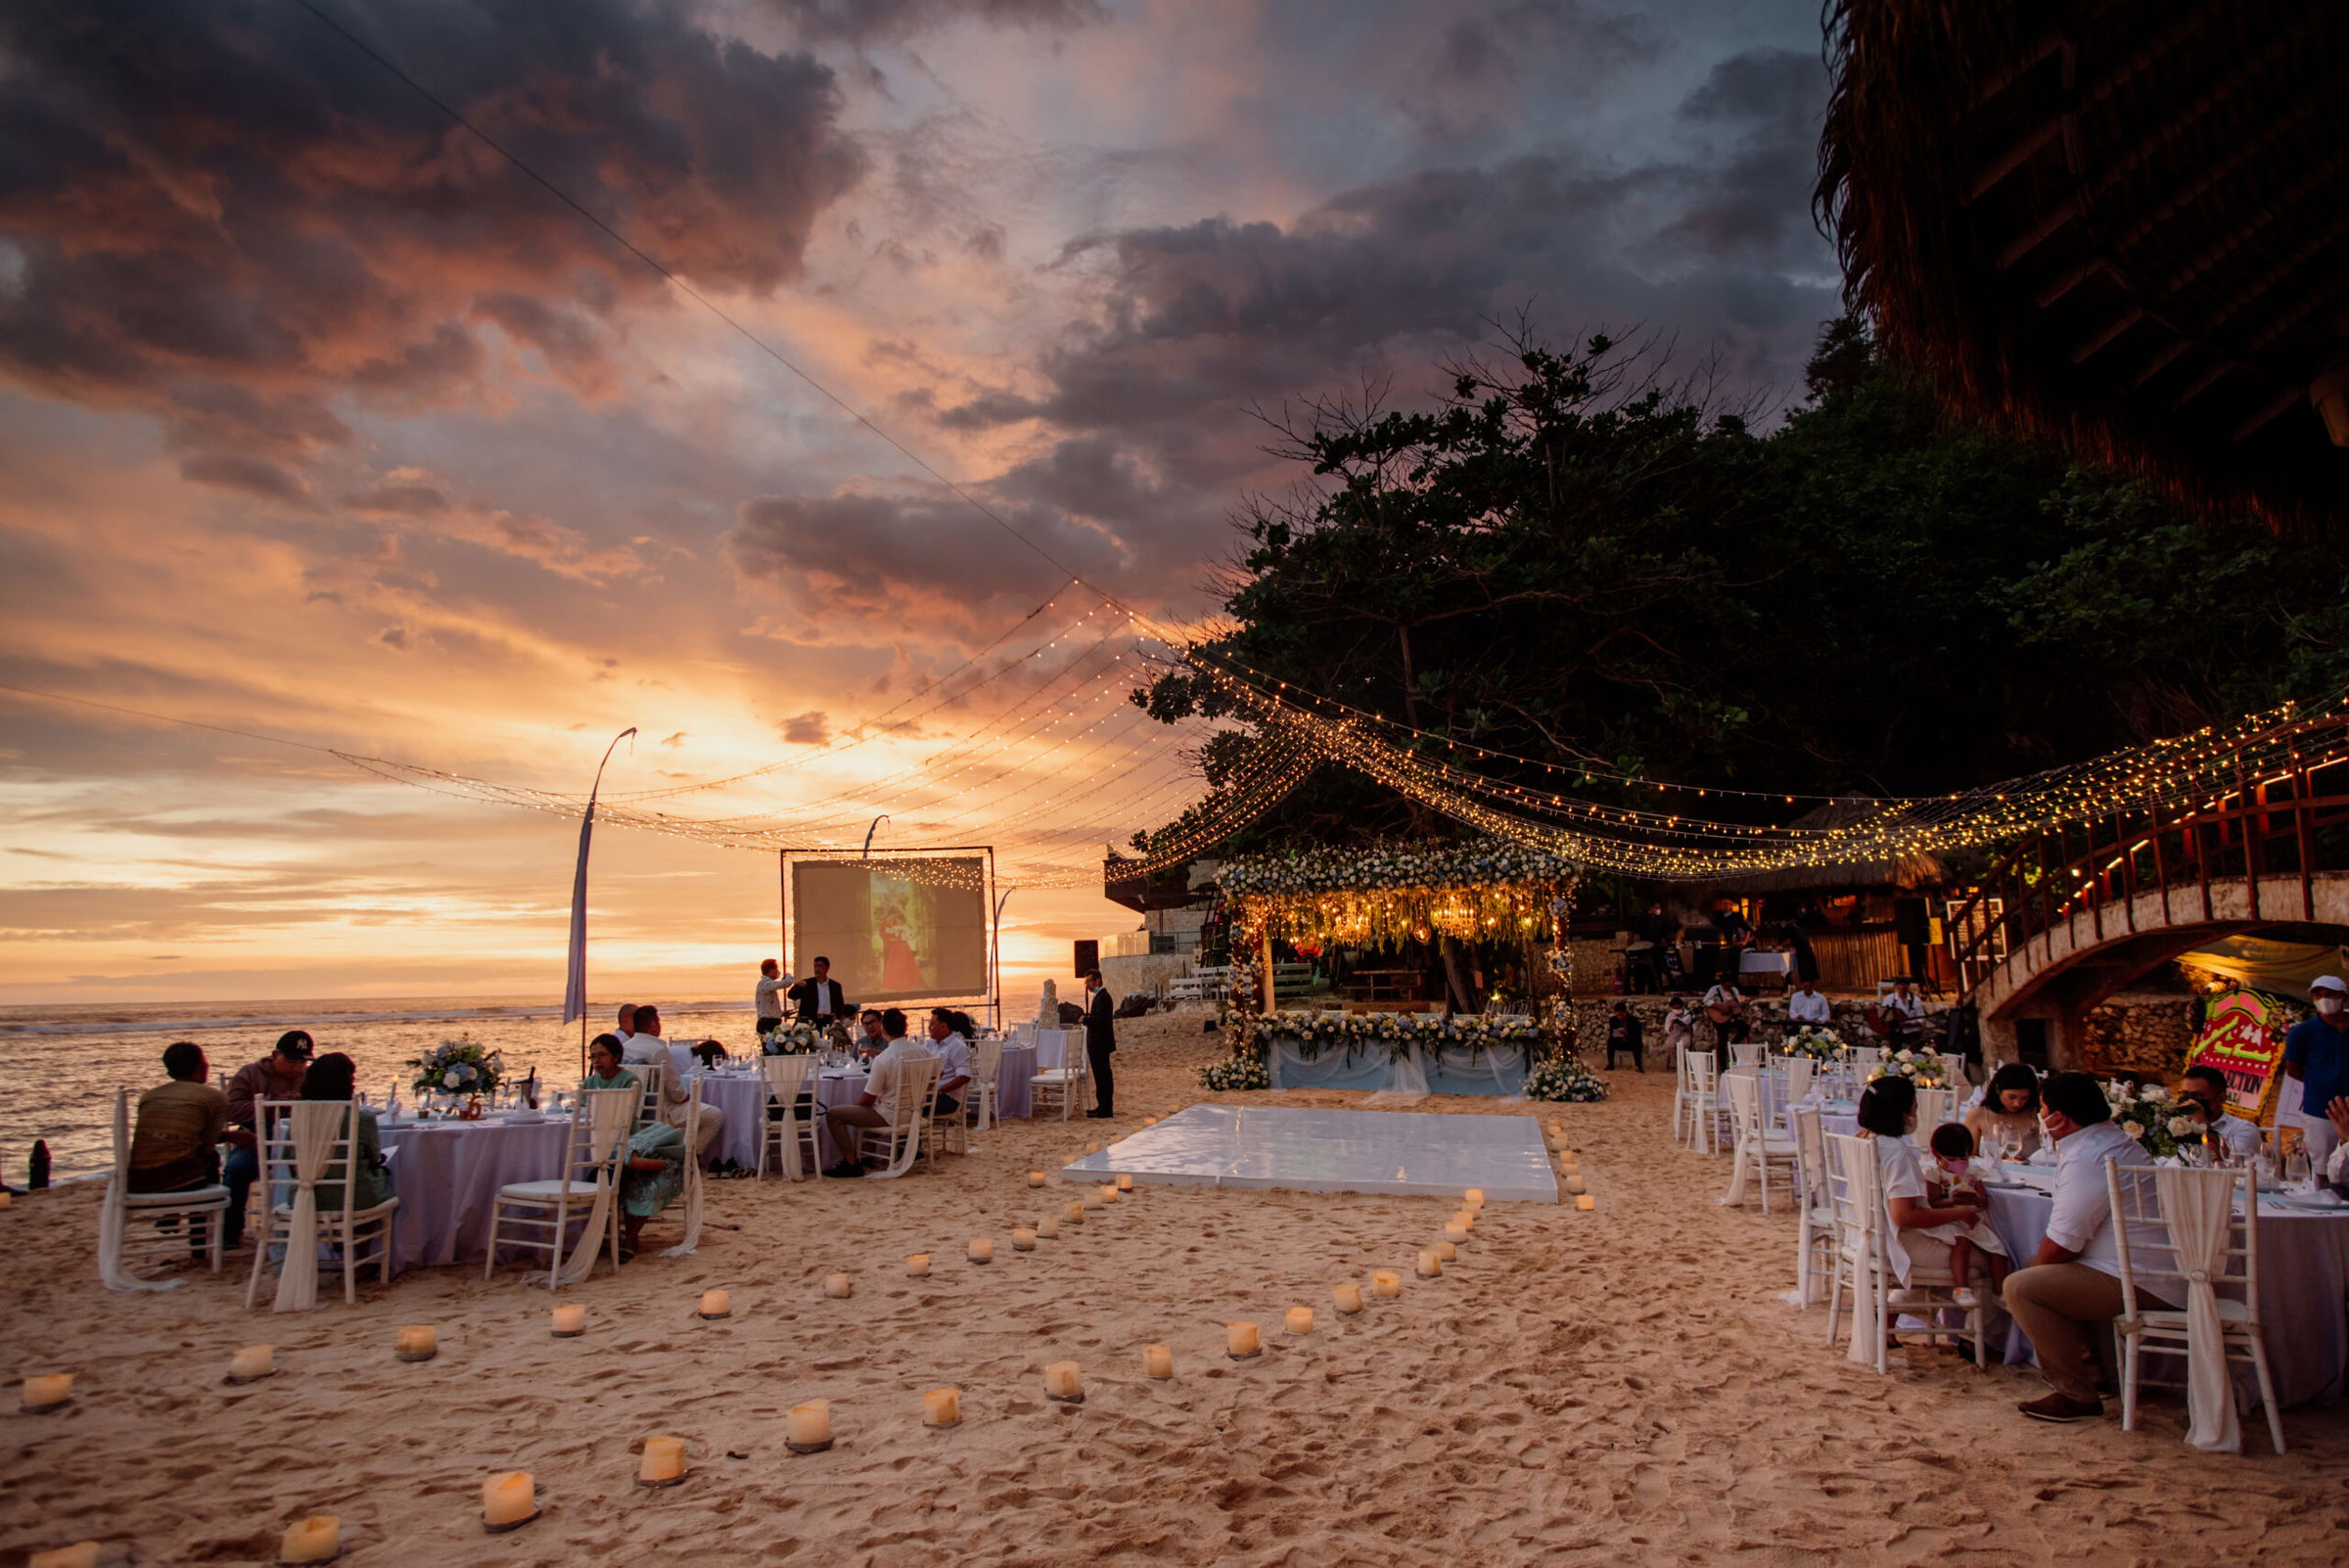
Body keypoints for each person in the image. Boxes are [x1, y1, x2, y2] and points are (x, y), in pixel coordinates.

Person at [2001, 1071, 2163, 1423]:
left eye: (2042, 1109)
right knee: (2038, 1270)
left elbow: (2061, 1248)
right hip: (2143, 1269)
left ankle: (2075, 1394)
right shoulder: (2113, 1141)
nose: (2040, 1117)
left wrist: (2036, 1271)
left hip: (2141, 1278)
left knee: (2024, 1286)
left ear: (2059, 1117)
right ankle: (2096, 1373)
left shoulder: (2090, 1156)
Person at [1855, 1076, 1992, 1330]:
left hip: (1868, 1235)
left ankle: (1887, 1318)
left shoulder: (1863, 1138)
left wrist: (1949, 1204)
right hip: (1899, 1241)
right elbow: (1905, 1216)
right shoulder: (1896, 1152)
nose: (1916, 1113)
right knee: (1987, 1260)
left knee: (1957, 1249)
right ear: (1901, 1112)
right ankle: (1975, 1339)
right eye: (1914, 1106)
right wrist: (1959, 1213)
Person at [221, 1030, 315, 1249]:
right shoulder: (251, 1073)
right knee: (236, 1169)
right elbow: (229, 1109)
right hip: (257, 1139)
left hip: (301, 1142)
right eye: (291, 1060)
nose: (297, 1067)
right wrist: (271, 1104)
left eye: (302, 1062)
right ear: (275, 1055)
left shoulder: (309, 1077)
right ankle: (230, 1233)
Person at [822, 1008, 931, 1177]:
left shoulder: (885, 1058)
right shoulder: (923, 1051)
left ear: (884, 1029)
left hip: (891, 1115)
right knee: (871, 1107)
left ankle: (851, 1163)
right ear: (905, 1028)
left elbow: (868, 1098)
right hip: (915, 1112)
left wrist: (856, 1107)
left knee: (833, 1114)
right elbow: (937, 1076)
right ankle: (867, 1155)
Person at [1923, 1122, 2010, 1304]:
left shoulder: (1974, 1172)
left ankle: (1999, 1293)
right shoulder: (1934, 1173)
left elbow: (1984, 1200)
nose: (1958, 1163)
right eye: (1951, 1159)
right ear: (1936, 1154)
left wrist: (1976, 1199)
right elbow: (1933, 1202)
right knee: (1961, 1243)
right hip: (1949, 1220)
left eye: (1962, 1158)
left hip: (1972, 1220)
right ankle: (1961, 1288)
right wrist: (1953, 1201)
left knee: (1998, 1250)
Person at [299, 1052, 394, 1215]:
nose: (354, 1085)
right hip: (352, 1198)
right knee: (388, 1180)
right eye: (352, 1080)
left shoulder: (298, 1117)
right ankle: (356, 1239)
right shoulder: (361, 1119)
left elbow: (292, 1165)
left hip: (302, 1197)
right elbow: (373, 1159)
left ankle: (337, 1239)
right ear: (345, 1084)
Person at [129, 1041, 228, 1197]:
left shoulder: (149, 1096)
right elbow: (207, 1145)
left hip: (138, 1180)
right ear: (201, 1065)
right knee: (211, 1157)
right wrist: (230, 1136)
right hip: (178, 1181)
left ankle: (168, 1221)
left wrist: (230, 1136)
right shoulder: (213, 1096)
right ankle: (199, 1215)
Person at [2282, 975, 2349, 1171]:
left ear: (2343, 997)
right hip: (2320, 1106)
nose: (2323, 998)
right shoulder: (2303, 1032)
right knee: (2323, 1165)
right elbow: (2293, 1069)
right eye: (2318, 994)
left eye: (2329, 994)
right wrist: (2320, 1082)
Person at [2176, 1063, 2260, 1162]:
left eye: (2198, 1096)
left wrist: (2201, 1124)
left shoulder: (2243, 1129)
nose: (2190, 1101)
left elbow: (2226, 1164)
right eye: (2184, 1094)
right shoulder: (2175, 1124)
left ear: (2221, 1098)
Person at [1962, 1062, 2044, 1161]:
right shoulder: (1978, 1115)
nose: (2017, 1103)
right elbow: (1968, 1156)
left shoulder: (2037, 1116)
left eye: (2024, 1098)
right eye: (2011, 1097)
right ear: (1997, 1089)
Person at [927, 1009, 973, 1120]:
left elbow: (964, 1077)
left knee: (909, 1106)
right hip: (931, 1094)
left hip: (947, 1098)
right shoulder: (931, 1044)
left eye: (932, 1024)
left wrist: (940, 1091)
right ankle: (913, 1135)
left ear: (943, 1026)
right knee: (902, 1102)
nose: (929, 1028)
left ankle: (910, 1135)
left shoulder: (957, 1046)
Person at [1082, 969, 1117, 1118]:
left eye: (1089, 981)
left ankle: (1105, 1108)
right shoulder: (1100, 997)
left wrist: (1085, 1019)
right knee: (1100, 1077)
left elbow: (1100, 1021)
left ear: (1097, 981)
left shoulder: (1103, 997)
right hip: (1098, 1044)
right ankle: (1102, 1106)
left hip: (1100, 1044)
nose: (1087, 985)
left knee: (1103, 1076)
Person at [790, 956, 851, 1023]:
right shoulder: (807, 983)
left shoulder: (835, 986)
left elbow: (840, 1005)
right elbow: (792, 996)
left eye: (820, 966)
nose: (817, 969)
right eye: (815, 966)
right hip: (810, 1021)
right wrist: (797, 986)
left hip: (828, 1020)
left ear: (827, 968)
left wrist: (838, 1017)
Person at [1702, 978, 1750, 1048]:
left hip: (1731, 1017)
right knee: (1723, 1035)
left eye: (1731, 985)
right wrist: (1720, 1007)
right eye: (1727, 986)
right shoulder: (1715, 989)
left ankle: (1733, 1045)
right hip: (1719, 1018)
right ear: (1722, 984)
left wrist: (1740, 1006)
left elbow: (1736, 1003)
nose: (1729, 988)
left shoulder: (1734, 990)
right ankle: (1722, 1057)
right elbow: (1706, 1001)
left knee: (1745, 1027)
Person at [1603, 1001, 1644, 1071]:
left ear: (1625, 1013)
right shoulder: (1613, 1020)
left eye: (1621, 1015)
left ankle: (1638, 1065)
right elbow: (1612, 1034)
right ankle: (1611, 1064)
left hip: (1631, 1042)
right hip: (1619, 1042)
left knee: (1637, 1044)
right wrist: (1618, 1034)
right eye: (1618, 1015)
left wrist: (1628, 1034)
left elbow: (1637, 1035)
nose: (1620, 1017)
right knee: (1610, 1042)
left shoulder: (1633, 1020)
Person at [755, 959, 791, 1036]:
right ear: (771, 971)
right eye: (776, 969)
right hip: (767, 1024)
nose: (778, 971)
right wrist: (788, 976)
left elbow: (769, 1007)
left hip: (773, 1022)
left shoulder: (767, 985)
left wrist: (781, 1013)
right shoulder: (765, 984)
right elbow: (786, 983)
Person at [1661, 995, 1696, 1062]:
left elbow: (1693, 1029)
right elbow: (1668, 1030)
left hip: (1686, 1034)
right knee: (1668, 1046)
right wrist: (1672, 1023)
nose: (1676, 1010)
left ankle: (1684, 1062)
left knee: (1683, 1044)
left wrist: (1684, 1025)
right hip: (1674, 1034)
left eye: (1678, 1008)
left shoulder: (1689, 1014)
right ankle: (1677, 1061)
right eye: (1674, 1008)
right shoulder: (1670, 1015)